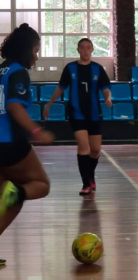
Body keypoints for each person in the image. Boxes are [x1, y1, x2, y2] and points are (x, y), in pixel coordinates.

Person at [0, 23, 54, 265]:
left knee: (5, 201)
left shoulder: (0, 70)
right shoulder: (18, 72)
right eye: (35, 49)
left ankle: (14, 193)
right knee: (39, 184)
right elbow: (14, 106)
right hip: (9, 144)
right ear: (26, 49)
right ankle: (17, 191)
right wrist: (36, 131)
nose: (37, 55)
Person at [43, 38, 112, 196]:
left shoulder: (97, 68)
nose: (85, 51)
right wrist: (49, 104)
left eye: (88, 48)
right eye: (82, 48)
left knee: (95, 150)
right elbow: (61, 87)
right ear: (78, 49)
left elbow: (105, 87)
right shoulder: (70, 68)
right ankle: (85, 184)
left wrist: (108, 97)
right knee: (84, 148)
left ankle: (90, 175)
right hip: (76, 113)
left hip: (94, 113)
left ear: (92, 50)